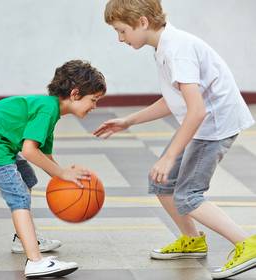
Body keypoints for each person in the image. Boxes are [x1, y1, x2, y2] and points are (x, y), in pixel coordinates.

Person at [94, 0, 256, 279]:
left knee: (188, 196)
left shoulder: (177, 50)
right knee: (162, 182)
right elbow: (173, 100)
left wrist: (169, 157)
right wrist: (128, 121)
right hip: (205, 123)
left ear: (143, 22)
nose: (120, 39)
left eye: (122, 31)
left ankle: (248, 244)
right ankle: (192, 241)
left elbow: (197, 111)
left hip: (214, 127)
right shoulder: (165, 46)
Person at [0, 59, 106, 278]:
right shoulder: (47, 110)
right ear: (75, 93)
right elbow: (30, 151)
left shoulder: (50, 110)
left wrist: (65, 177)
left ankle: (23, 240)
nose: (95, 106)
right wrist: (62, 173)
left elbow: (44, 154)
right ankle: (35, 261)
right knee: (19, 197)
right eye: (94, 100)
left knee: (27, 179)